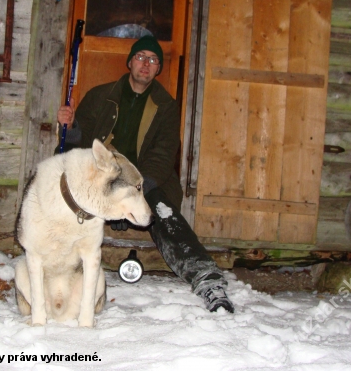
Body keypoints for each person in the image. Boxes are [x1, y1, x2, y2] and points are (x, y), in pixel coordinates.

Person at [57, 35, 234, 313]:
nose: (146, 64)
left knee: (164, 213)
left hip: (145, 181)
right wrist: (72, 126)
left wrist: (137, 193)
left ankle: (207, 280)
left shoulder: (166, 106)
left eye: (153, 60)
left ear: (158, 69)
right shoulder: (99, 96)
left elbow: (164, 153)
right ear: (130, 62)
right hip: (102, 178)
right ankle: (57, 271)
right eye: (141, 57)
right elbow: (77, 148)